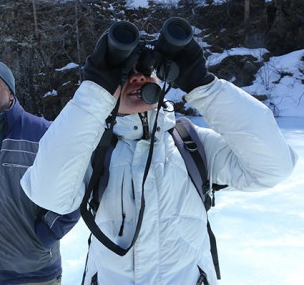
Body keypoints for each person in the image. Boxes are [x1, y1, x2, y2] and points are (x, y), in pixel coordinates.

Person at [20, 21, 298, 285]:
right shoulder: (91, 149)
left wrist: (205, 87)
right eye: (126, 73)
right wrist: (94, 94)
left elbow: (272, 167)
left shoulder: (190, 143)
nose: (138, 77)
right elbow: (48, 192)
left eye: (145, 72)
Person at [0, 60, 80, 285]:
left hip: (35, 274)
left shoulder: (43, 133)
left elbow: (74, 189)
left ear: (10, 92)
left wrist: (43, 236)